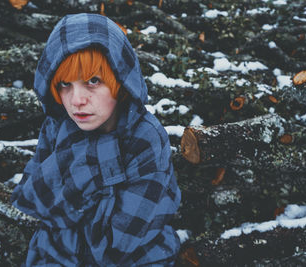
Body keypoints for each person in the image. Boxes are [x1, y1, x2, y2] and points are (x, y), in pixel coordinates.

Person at [11, 13, 181, 266]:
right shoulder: (57, 126)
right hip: (59, 256)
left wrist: (94, 158)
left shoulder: (145, 137)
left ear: (120, 79)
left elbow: (121, 242)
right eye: (65, 84)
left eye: (93, 81)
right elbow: (31, 200)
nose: (76, 99)